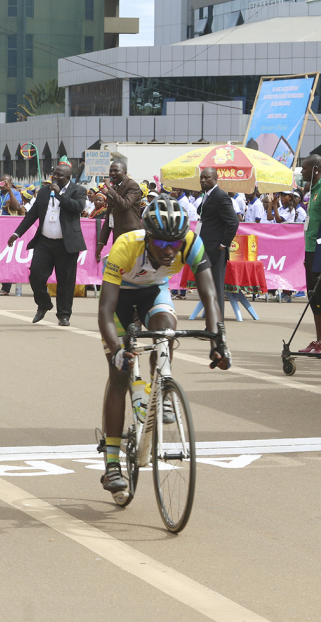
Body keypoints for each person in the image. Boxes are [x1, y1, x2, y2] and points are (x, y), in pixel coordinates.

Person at [97, 195, 229, 494]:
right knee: (119, 374)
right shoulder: (126, 245)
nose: (170, 251)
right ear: (148, 238)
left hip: (153, 292)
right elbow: (105, 310)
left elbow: (209, 293)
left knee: (166, 331)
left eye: (175, 243)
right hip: (120, 298)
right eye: (161, 244)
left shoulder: (190, 242)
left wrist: (217, 337)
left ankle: (160, 389)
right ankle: (113, 464)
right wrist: (117, 352)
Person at [7, 161, 87, 326]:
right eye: (54, 174)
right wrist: (17, 233)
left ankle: (64, 315)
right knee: (36, 274)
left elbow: (77, 207)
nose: (55, 177)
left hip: (67, 244)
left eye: (59, 175)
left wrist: (59, 195)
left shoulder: (78, 190)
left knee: (65, 281)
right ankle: (44, 304)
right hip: (44, 242)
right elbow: (32, 215)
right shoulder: (44, 191)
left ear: (67, 177)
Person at [195, 167, 239, 315]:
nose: (202, 180)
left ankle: (217, 327)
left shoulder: (220, 196)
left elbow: (233, 222)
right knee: (209, 286)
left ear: (215, 179)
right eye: (201, 177)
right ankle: (211, 322)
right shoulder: (207, 195)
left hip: (216, 250)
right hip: (206, 247)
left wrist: (223, 244)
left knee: (216, 288)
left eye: (206, 177)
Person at [95, 161, 144, 263]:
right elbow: (109, 216)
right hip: (118, 237)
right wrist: (101, 243)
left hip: (132, 236)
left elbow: (125, 205)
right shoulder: (114, 188)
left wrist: (109, 188)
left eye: (116, 170)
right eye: (110, 171)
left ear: (124, 172)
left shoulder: (132, 186)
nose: (112, 173)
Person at [300, 155, 321, 352]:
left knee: (320, 297)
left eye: (304, 168)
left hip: (319, 253)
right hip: (311, 252)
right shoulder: (312, 191)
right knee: (314, 298)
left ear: (315, 169)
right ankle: (318, 341)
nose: (301, 172)